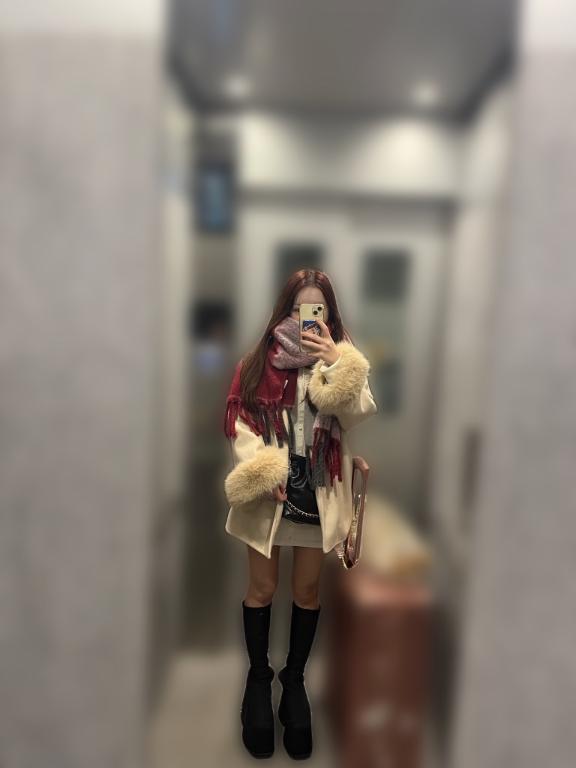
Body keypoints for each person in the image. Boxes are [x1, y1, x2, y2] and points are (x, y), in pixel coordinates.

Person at [223, 269, 378, 760]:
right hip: (270, 491)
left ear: (329, 313)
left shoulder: (341, 361)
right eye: (298, 308)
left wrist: (338, 363)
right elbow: (241, 424)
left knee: (307, 591)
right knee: (263, 588)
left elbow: (357, 414)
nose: (307, 318)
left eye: (317, 309)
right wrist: (260, 470)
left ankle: (294, 684)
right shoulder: (257, 363)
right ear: (284, 310)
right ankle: (257, 683)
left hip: (318, 488)